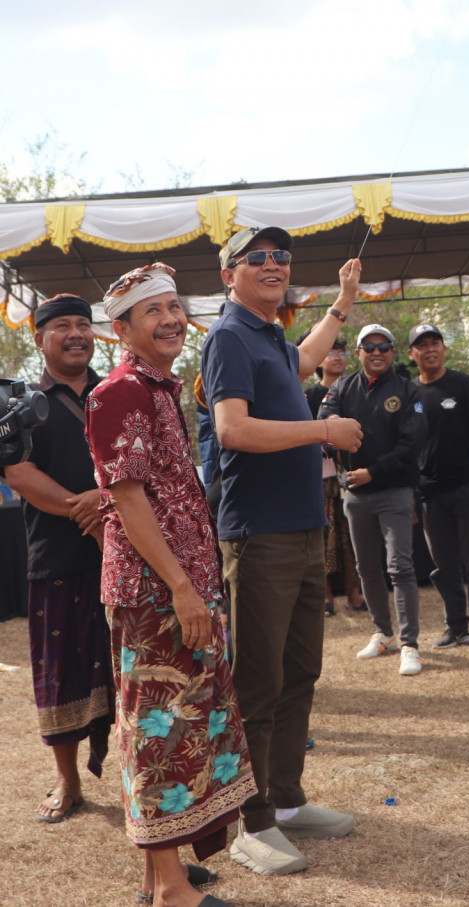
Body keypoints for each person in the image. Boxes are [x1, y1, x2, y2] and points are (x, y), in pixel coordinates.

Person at [86, 263, 255, 907]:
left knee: (181, 727)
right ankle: (170, 889)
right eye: (152, 311)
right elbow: (129, 502)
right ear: (123, 328)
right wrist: (184, 590)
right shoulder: (120, 392)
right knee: (158, 731)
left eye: (175, 307)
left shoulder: (159, 389)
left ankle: (163, 873)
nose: (170, 320)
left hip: (182, 583)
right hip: (156, 592)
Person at [201, 226, 365, 876]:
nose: (273, 265)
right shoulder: (229, 337)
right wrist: (322, 428)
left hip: (301, 530)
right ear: (229, 275)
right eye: (257, 258)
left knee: (301, 672)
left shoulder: (268, 337)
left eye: (281, 258)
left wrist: (343, 302)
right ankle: (254, 819)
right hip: (259, 534)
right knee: (259, 681)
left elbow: (304, 358)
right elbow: (232, 428)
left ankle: (288, 800)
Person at [5, 294, 114, 824]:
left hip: (127, 553)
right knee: (60, 671)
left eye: (84, 325)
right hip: (57, 555)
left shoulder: (119, 392)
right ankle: (67, 781)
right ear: (38, 337)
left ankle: (143, 776)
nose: (76, 334)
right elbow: (18, 474)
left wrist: (107, 503)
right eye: (62, 326)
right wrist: (86, 508)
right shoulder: (18, 403)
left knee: (133, 671)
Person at [319, 323, 426, 676]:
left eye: (384, 347)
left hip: (393, 490)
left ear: (393, 353)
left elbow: (412, 444)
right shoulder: (343, 386)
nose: (377, 352)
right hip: (355, 493)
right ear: (360, 353)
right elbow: (323, 419)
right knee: (366, 568)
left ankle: (409, 643)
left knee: (401, 566)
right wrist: (332, 424)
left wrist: (374, 472)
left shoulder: (407, 390)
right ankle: (383, 633)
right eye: (370, 347)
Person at [409, 324, 469, 652]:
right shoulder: (408, 393)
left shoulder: (464, 385)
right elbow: (407, 445)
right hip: (429, 493)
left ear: (444, 348)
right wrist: (412, 492)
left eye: (436, 342)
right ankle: (456, 628)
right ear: (411, 354)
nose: (430, 349)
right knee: (443, 565)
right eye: (422, 345)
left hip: (467, 488)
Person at [301, 334, 364, 614]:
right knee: (327, 536)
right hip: (320, 477)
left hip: (352, 473)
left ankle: (354, 592)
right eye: (330, 351)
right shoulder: (309, 395)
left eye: (341, 351)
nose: (337, 357)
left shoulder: (353, 389)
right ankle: (326, 596)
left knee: (351, 536)